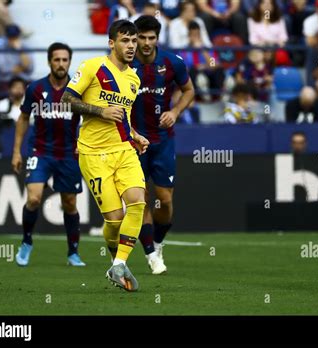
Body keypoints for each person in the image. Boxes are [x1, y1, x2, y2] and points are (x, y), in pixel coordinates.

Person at [62, 20, 149, 291]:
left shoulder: (134, 78)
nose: (132, 46)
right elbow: (67, 99)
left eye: (134, 41)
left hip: (123, 150)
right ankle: (116, 260)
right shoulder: (92, 67)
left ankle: (119, 264)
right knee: (114, 219)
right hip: (93, 153)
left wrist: (134, 134)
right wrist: (100, 111)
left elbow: (123, 117)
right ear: (112, 43)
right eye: (125, 40)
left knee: (137, 203)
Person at [130, 16, 195, 274]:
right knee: (140, 199)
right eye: (141, 38)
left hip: (163, 140)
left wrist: (176, 112)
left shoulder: (171, 62)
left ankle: (158, 243)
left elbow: (189, 90)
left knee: (165, 200)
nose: (146, 43)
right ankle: (150, 256)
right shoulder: (123, 63)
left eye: (151, 38)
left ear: (157, 38)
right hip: (134, 142)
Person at [12, 43, 85, 267]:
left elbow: (89, 119)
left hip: (68, 153)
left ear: (69, 62)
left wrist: (83, 143)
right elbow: (23, 118)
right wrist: (16, 151)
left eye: (64, 60)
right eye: (57, 60)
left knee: (70, 203)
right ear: (49, 61)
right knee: (33, 198)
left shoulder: (78, 89)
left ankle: (73, 252)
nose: (61, 64)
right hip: (41, 151)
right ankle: (26, 242)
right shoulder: (35, 88)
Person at [180, 21, 223, 102]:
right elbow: (185, 69)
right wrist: (197, 67)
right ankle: (205, 99)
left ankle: (219, 98)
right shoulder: (184, 51)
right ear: (189, 36)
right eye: (193, 35)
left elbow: (213, 65)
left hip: (210, 77)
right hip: (195, 78)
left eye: (197, 35)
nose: (196, 38)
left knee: (219, 72)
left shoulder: (209, 49)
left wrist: (202, 50)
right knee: (198, 76)